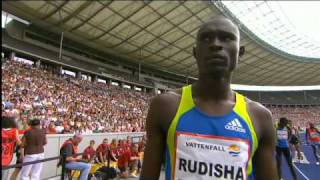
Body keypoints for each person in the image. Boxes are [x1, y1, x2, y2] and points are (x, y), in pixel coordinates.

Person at [141, 16, 277, 180]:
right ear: (195, 52)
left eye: (227, 38)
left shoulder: (260, 117)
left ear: (240, 52)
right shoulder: (164, 106)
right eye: (206, 38)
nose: (215, 44)